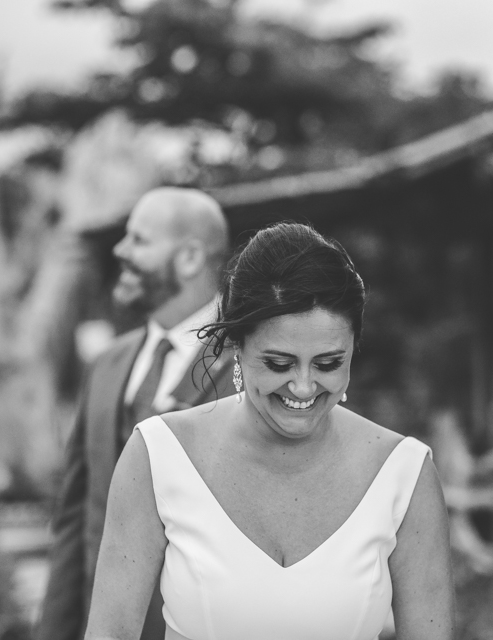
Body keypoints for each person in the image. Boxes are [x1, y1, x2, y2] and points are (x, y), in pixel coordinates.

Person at [84, 222, 455, 640]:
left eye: (328, 363)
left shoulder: (404, 474)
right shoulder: (157, 455)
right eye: (278, 364)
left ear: (353, 350)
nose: (302, 386)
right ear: (236, 349)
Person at [38, 187, 235, 640]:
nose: (119, 251)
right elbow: (75, 519)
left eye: (139, 240)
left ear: (188, 258)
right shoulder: (106, 367)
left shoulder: (252, 369)